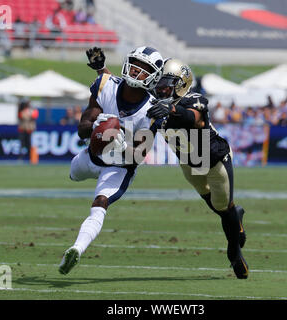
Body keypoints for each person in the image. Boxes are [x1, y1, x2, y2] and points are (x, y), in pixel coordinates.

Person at [88, 48, 249, 279]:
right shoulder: (154, 100)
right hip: (187, 162)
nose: (161, 88)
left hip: (214, 161)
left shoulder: (194, 99)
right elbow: (120, 85)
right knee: (213, 204)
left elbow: (191, 117)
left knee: (224, 208)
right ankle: (235, 219)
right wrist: (101, 69)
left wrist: (172, 108)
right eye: (159, 83)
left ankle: (234, 251)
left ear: (181, 84)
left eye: (167, 84)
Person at [58, 46, 164, 275]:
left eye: (144, 69)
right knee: (73, 174)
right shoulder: (106, 85)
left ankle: (76, 248)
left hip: (118, 167)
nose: (136, 71)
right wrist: (95, 126)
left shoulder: (151, 110)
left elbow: (140, 154)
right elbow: (81, 129)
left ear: (154, 76)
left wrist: (122, 145)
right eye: (135, 64)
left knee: (100, 204)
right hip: (92, 156)